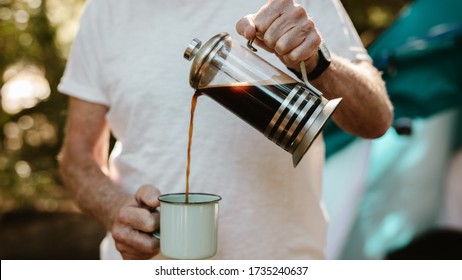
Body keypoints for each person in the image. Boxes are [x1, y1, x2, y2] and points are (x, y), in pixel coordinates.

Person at [58, 0, 393, 260]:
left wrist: (320, 62)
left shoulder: (290, 5)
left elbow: (375, 119)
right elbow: (77, 158)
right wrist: (117, 210)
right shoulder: (105, 11)